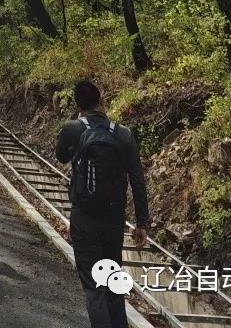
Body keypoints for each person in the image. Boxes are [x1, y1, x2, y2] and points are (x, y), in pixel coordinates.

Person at [56, 79, 150, 328]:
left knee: (93, 286)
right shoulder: (123, 134)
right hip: (114, 218)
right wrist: (142, 222)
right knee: (112, 281)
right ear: (102, 101)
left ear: (78, 105)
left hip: (84, 217)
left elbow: (61, 156)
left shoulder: (73, 128)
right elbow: (137, 179)